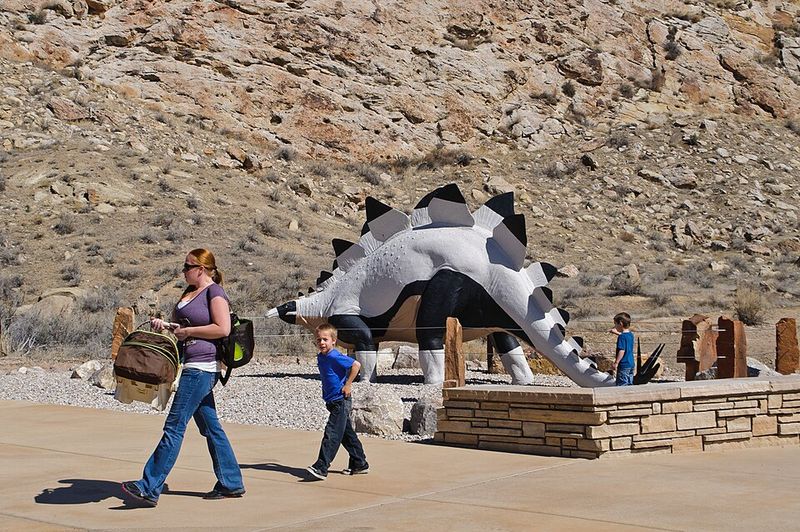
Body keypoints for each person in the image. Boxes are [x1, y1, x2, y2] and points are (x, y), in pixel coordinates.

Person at [121, 248, 245, 507]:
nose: (183, 271)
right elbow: (185, 329)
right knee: (212, 429)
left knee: (174, 427)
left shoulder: (215, 292)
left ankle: (149, 486)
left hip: (202, 368)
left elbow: (222, 328)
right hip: (190, 364)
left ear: (201, 268)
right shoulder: (190, 293)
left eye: (187, 266)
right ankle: (231, 483)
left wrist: (188, 331)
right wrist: (166, 326)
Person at [306, 323, 369, 480]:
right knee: (347, 435)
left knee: (332, 433)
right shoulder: (322, 356)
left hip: (341, 400)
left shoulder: (335, 356)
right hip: (332, 401)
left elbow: (356, 365)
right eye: (319, 339)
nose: (321, 343)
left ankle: (321, 467)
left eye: (325, 339)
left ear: (333, 341)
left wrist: (348, 385)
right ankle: (359, 463)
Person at [608, 312, 635, 386]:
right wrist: (617, 333)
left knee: (622, 385)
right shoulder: (630, 335)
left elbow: (622, 351)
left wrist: (616, 363)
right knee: (629, 384)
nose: (615, 326)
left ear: (620, 323)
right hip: (631, 363)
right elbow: (625, 338)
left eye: (615, 324)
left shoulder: (621, 337)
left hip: (623, 364)